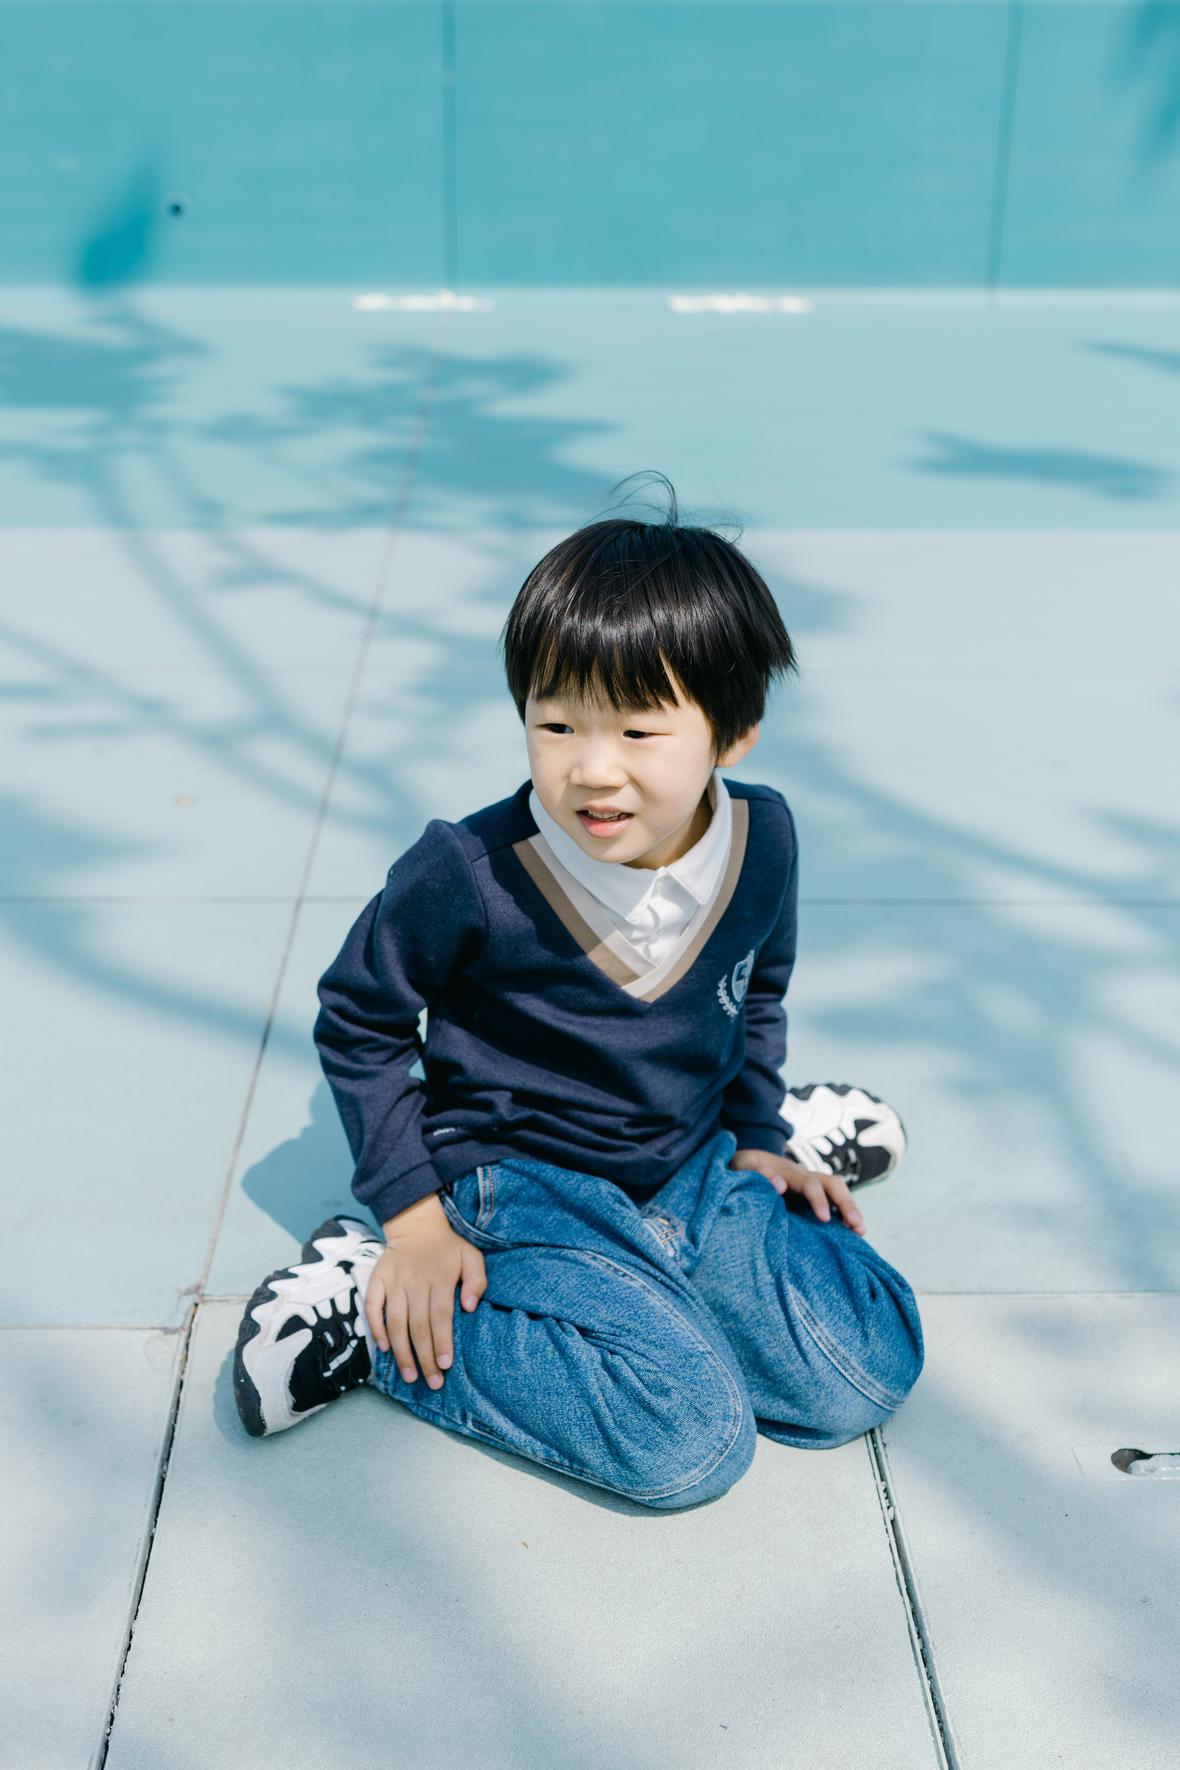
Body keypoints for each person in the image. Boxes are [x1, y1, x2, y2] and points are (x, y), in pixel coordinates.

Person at [232, 484, 925, 1510]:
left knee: (867, 1365)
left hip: (688, 1159)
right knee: (686, 1443)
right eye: (556, 725)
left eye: (639, 732)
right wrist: (413, 1219)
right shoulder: (468, 872)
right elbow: (359, 1019)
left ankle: (775, 1155)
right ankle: (366, 1315)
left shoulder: (764, 837)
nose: (593, 771)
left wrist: (755, 1131)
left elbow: (755, 992)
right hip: (521, 1178)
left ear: (732, 732)